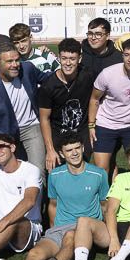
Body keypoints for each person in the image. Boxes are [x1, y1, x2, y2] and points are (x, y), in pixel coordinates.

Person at [0, 134, 109, 260]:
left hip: (85, 227)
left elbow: (105, 206)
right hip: (60, 227)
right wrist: (54, 228)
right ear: (62, 154)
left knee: (69, 237)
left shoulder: (99, 174)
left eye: (77, 148)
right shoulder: (55, 175)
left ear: (83, 148)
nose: (74, 153)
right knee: (35, 254)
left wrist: (106, 233)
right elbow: (53, 205)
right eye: (69, 150)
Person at [0, 45, 45, 168]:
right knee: (9, 171)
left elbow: (47, 79)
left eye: (17, 60)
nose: (15, 65)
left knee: (38, 169)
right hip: (5, 132)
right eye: (9, 61)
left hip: (32, 127)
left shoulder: (27, 69)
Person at [88, 38, 130, 172]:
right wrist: (91, 125)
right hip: (106, 124)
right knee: (101, 169)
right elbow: (94, 99)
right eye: (127, 55)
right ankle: (108, 192)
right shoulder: (108, 74)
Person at [37, 38, 95, 170]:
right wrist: (50, 149)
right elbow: (44, 119)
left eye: (72, 59)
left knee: (82, 170)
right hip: (58, 134)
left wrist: (92, 125)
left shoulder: (87, 76)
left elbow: (97, 98)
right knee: (58, 171)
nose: (68, 63)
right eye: (64, 58)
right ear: (58, 58)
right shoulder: (48, 86)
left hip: (81, 132)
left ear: (79, 59)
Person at [81, 17, 124, 82]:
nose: (93, 38)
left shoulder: (118, 58)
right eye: (90, 34)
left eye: (98, 34)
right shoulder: (80, 54)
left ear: (107, 36)